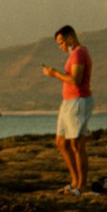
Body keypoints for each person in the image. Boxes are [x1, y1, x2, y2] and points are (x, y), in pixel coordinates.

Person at [41, 24, 94, 193]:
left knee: (77, 144)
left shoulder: (79, 53)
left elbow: (76, 80)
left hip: (78, 101)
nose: (61, 47)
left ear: (70, 39)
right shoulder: (73, 54)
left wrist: (54, 73)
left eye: (61, 42)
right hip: (68, 102)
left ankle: (82, 185)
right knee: (61, 142)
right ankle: (74, 180)